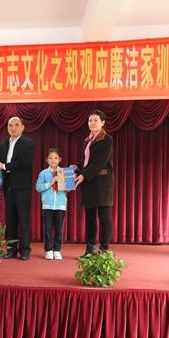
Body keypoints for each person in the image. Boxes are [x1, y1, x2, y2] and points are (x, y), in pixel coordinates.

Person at [0, 116, 35, 260]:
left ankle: (25, 250)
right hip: (8, 187)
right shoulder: (3, 145)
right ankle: (11, 249)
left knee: (23, 219)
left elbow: (24, 163)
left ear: (23, 127)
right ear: (7, 128)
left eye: (17, 125)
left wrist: (4, 166)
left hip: (22, 187)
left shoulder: (28, 144)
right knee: (10, 220)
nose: (13, 128)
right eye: (10, 125)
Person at [74, 109, 114, 255]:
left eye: (95, 120)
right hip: (89, 183)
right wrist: (75, 167)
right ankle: (90, 248)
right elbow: (86, 162)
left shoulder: (107, 139)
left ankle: (104, 249)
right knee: (90, 217)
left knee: (104, 217)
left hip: (102, 184)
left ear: (102, 122)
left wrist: (83, 175)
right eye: (90, 120)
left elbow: (100, 161)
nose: (92, 123)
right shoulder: (87, 141)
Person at [35, 148, 69, 260]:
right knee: (47, 229)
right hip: (47, 206)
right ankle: (49, 249)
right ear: (47, 160)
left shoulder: (64, 172)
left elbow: (69, 189)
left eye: (55, 158)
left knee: (59, 229)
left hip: (60, 206)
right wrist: (51, 183)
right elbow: (38, 188)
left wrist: (64, 182)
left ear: (60, 159)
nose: (53, 160)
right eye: (50, 158)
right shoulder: (43, 173)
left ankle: (57, 250)